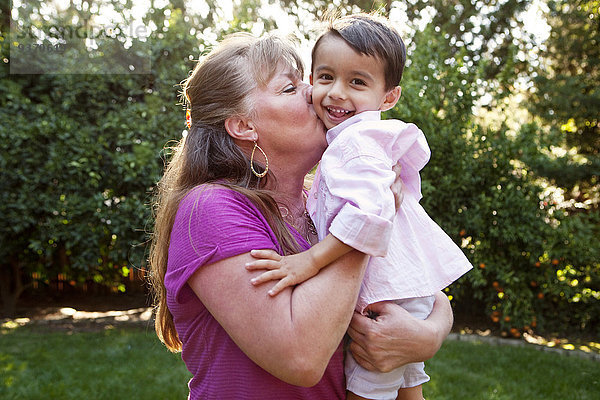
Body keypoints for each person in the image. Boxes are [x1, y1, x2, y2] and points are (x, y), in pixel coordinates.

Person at [149, 31, 454, 400]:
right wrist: (369, 216)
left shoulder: (320, 199)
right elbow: (300, 358)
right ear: (244, 126)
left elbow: (420, 286)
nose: (313, 91)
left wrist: (427, 337)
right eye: (290, 89)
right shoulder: (210, 209)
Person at [246, 13, 472, 400]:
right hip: (402, 290)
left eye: (357, 82)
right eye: (325, 77)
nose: (336, 92)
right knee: (408, 387)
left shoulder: (354, 145)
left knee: (367, 392)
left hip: (385, 298)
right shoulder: (362, 143)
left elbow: (369, 218)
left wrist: (311, 261)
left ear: (389, 97)